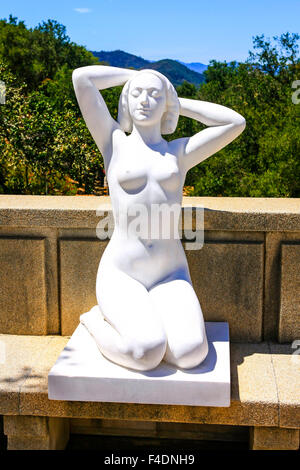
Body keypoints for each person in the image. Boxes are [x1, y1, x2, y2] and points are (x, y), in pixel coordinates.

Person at [72, 65, 246, 371]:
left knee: (191, 354)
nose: (144, 100)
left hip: (170, 275)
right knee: (146, 353)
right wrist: (137, 74)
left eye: (154, 95)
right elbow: (82, 79)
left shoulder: (179, 153)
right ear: (124, 101)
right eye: (136, 93)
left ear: (164, 103)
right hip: (122, 272)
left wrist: (174, 99)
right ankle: (94, 323)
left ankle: (149, 320)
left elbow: (234, 122)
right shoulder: (113, 142)